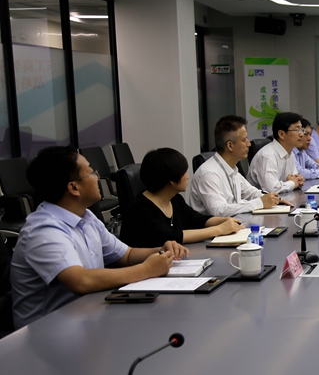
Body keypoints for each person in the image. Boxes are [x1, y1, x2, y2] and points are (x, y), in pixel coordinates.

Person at [10, 146, 188, 329]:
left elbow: (127, 255)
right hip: (49, 330)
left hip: (88, 315)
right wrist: (146, 270)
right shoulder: (44, 230)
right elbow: (81, 281)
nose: (98, 177)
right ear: (74, 187)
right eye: (91, 172)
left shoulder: (86, 217)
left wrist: (161, 250)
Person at [120, 148, 244, 248]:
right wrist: (219, 229)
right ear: (171, 180)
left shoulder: (175, 199)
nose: (187, 176)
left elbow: (197, 219)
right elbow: (172, 236)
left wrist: (225, 221)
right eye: (184, 172)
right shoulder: (140, 210)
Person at [189, 115, 292, 216]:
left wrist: (274, 199)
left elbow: (251, 193)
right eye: (244, 140)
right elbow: (219, 211)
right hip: (216, 227)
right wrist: (260, 203)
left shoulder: (232, 169)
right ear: (230, 145)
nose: (249, 144)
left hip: (236, 223)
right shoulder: (209, 173)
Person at [248, 111, 304, 193]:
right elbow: (271, 189)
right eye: (297, 130)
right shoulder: (268, 155)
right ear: (281, 134)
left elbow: (294, 178)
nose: (302, 134)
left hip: (282, 198)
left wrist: (298, 180)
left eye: (302, 129)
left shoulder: (289, 152)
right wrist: (292, 183)